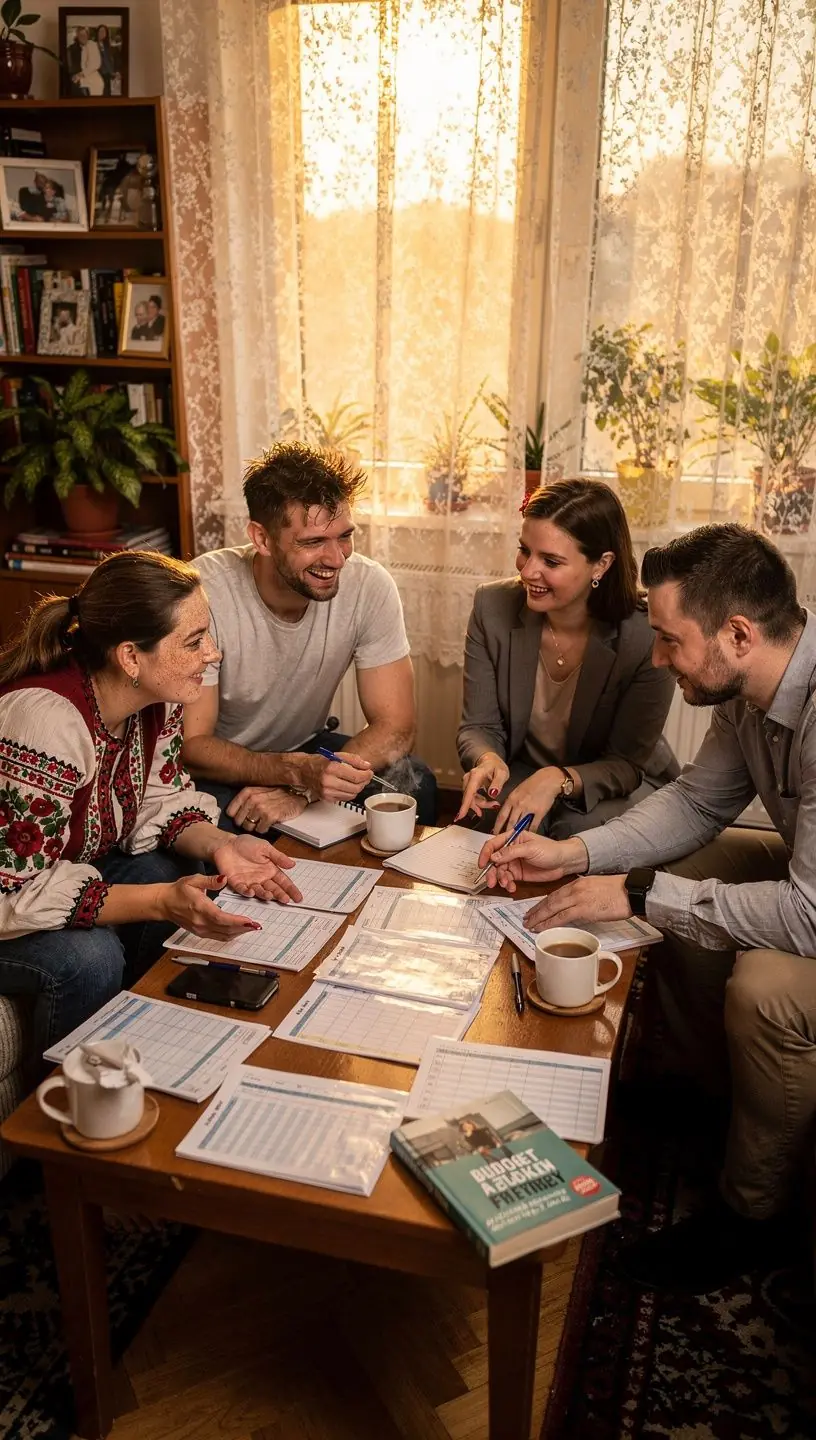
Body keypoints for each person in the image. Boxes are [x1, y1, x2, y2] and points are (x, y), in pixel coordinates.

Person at [476, 523, 816, 1295]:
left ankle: (750, 1215)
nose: (656, 659)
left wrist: (637, 893)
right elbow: (696, 805)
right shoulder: (749, 690)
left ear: (737, 632)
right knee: (682, 868)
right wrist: (577, 855)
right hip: (809, 876)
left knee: (762, 986)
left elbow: (809, 915)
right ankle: (713, 1097)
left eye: (669, 641)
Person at [0, 551, 302, 1060]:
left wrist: (226, 845)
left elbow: (158, 800)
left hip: (53, 874)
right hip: (8, 895)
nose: (213, 655)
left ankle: (151, 1041)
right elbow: (16, 889)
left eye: (208, 634)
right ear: (130, 657)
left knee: (176, 862)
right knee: (89, 958)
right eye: (193, 641)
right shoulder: (46, 724)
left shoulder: (152, 701)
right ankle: (64, 1114)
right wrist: (162, 900)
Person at [183, 443, 437, 833]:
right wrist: (291, 774)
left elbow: (396, 726)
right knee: (229, 831)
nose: (337, 559)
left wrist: (306, 789)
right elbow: (193, 745)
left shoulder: (369, 586)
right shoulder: (205, 593)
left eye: (344, 536)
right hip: (220, 767)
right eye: (314, 542)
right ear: (262, 539)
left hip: (308, 751)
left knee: (417, 785)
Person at [456, 478, 678, 838]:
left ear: (601, 565)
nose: (527, 571)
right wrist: (488, 759)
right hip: (527, 771)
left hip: (616, 780)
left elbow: (623, 764)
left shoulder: (644, 634)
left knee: (574, 832)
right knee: (493, 821)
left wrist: (558, 779)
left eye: (551, 561)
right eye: (525, 550)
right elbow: (478, 726)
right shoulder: (491, 606)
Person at [96, 24, 116, 96]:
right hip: (98, 73)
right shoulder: (94, 45)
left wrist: (112, 72)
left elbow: (109, 60)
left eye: (104, 32)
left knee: (107, 93)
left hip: (108, 74)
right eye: (100, 31)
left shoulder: (108, 46)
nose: (102, 34)